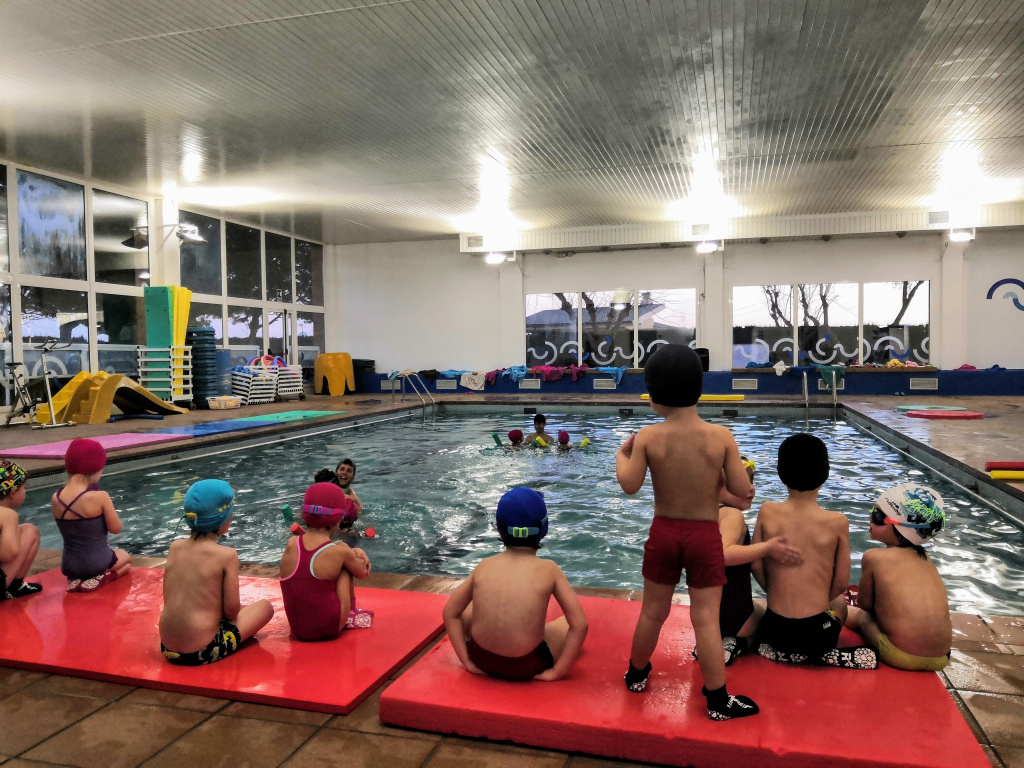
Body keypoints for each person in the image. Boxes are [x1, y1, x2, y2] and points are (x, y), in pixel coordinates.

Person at [617, 344, 759, 720]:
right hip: (704, 536)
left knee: (652, 612)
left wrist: (621, 455)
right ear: (700, 388)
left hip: (664, 533)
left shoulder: (648, 437)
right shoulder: (720, 437)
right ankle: (717, 699)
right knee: (706, 621)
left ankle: (636, 673)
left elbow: (629, 485)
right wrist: (725, 487)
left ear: (655, 396)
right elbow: (742, 491)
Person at [752, 434, 877, 670]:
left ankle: (782, 652)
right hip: (818, 633)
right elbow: (841, 582)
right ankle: (823, 654)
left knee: (760, 612)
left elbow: (756, 564)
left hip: (774, 630)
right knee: (839, 604)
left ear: (780, 472)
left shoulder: (767, 511)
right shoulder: (837, 521)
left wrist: (773, 589)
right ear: (825, 474)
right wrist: (820, 597)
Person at [442, 487, 588, 681]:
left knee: (469, 608)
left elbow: (450, 613)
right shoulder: (549, 569)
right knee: (563, 624)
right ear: (544, 528)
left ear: (499, 529)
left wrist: (467, 662)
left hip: (480, 659)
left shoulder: (484, 565)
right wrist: (556, 672)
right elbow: (580, 625)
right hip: (525, 665)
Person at [160, 479, 274, 665]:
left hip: (167, 648)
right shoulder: (226, 555)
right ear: (225, 520)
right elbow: (231, 612)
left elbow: (168, 597)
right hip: (202, 650)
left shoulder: (175, 547)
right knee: (265, 607)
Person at [844, 483, 952, 671]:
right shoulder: (927, 560)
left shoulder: (874, 557)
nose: (869, 519)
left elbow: (865, 605)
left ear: (901, 527)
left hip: (900, 654)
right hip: (942, 657)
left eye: (877, 517)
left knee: (860, 616)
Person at [714, 457, 802, 664]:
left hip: (707, 616)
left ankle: (716, 642)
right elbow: (722, 555)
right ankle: (740, 643)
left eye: (752, 481)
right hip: (737, 618)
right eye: (742, 483)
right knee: (769, 617)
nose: (751, 489)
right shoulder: (732, 515)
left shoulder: (704, 515)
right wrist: (767, 548)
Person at [280, 483, 373, 640]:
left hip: (298, 629)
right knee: (345, 561)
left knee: (342, 554)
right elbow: (363, 573)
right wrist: (357, 553)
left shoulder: (292, 543)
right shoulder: (339, 551)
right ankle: (351, 612)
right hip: (330, 627)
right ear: (338, 518)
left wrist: (350, 553)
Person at [51, 439, 132, 593]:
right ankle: (103, 577)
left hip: (69, 566)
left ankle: (76, 580)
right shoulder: (100, 496)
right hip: (97, 563)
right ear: (95, 469)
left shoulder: (56, 497)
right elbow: (116, 529)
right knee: (126, 558)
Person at [0, 460, 42, 600]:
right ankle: (15, 587)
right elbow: (9, 554)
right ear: (13, 492)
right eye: (24, 488)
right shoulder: (7, 515)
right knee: (30, 531)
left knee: (23, 530)